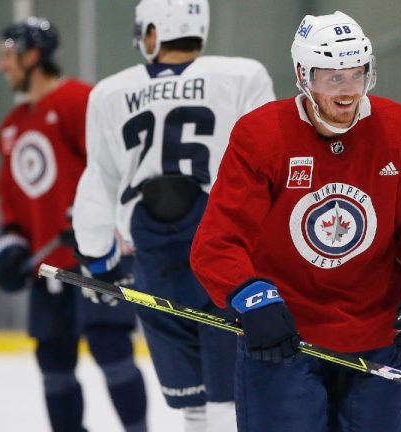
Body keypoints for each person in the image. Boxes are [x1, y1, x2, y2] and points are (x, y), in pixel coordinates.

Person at [190, 11, 401, 432]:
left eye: (358, 75)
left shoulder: (400, 129)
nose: (348, 90)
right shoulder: (261, 135)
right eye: (333, 77)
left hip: (376, 341)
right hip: (284, 341)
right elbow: (218, 241)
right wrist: (248, 295)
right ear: (303, 75)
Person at [71, 1, 275, 431]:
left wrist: (98, 262)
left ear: (154, 31)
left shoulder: (109, 92)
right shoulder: (243, 76)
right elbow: (268, 170)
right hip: (224, 254)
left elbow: (98, 185)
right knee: (228, 395)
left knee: (194, 404)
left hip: (153, 259)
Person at [0, 17, 148, 432]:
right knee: (53, 364)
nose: (3, 66)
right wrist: (11, 241)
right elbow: (12, 197)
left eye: (9, 55)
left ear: (33, 56)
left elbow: (114, 167)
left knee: (112, 351)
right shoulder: (11, 126)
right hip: (47, 269)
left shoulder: (80, 102)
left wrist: (103, 223)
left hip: (96, 259)